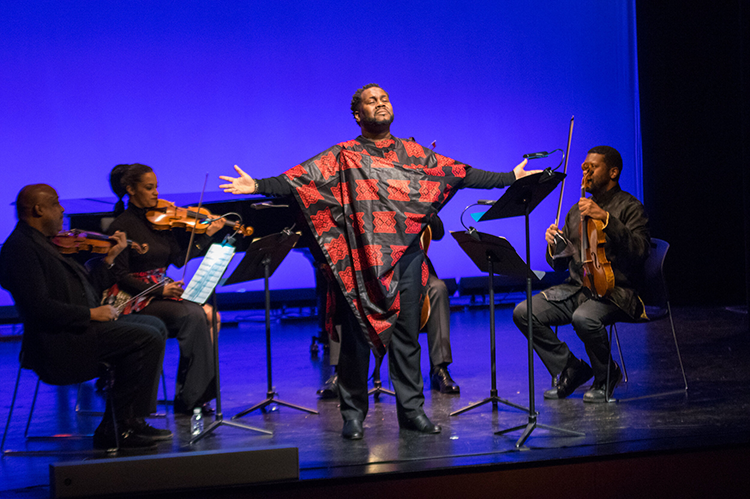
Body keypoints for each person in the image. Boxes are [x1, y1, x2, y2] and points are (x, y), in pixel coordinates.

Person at [220, 83, 537, 439]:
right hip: (362, 262)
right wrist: (257, 185)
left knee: (406, 339)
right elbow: (298, 180)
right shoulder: (344, 156)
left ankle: (412, 412)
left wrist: (510, 178)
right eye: (372, 101)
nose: (380, 104)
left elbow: (461, 173)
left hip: (407, 259)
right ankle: (352, 414)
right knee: (356, 338)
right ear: (358, 115)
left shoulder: (414, 155)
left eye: (384, 98)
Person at [0, 184, 170, 450]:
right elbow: (38, 307)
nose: (62, 209)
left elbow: (86, 290)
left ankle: (129, 421)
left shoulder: (43, 243)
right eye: (56, 203)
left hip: (77, 329)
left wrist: (109, 261)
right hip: (59, 341)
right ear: (38, 209)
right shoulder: (20, 249)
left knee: (154, 325)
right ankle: (115, 428)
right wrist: (90, 313)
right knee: (145, 336)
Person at [512, 146, 650, 403]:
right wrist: (554, 244)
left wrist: (607, 219)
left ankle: (606, 375)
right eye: (584, 166)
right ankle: (571, 368)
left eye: (593, 167)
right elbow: (560, 265)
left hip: (616, 292)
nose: (585, 171)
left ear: (613, 172)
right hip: (578, 288)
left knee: (583, 318)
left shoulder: (630, 206)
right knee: (524, 311)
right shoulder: (576, 211)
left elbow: (640, 251)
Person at [105, 164, 225, 415]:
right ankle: (193, 396)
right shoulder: (121, 225)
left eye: (156, 187)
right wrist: (159, 291)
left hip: (160, 290)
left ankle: (191, 392)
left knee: (210, 315)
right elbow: (120, 276)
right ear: (130, 189)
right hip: (132, 298)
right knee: (194, 315)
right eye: (149, 188)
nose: (155, 193)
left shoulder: (161, 220)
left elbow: (179, 259)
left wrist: (207, 236)